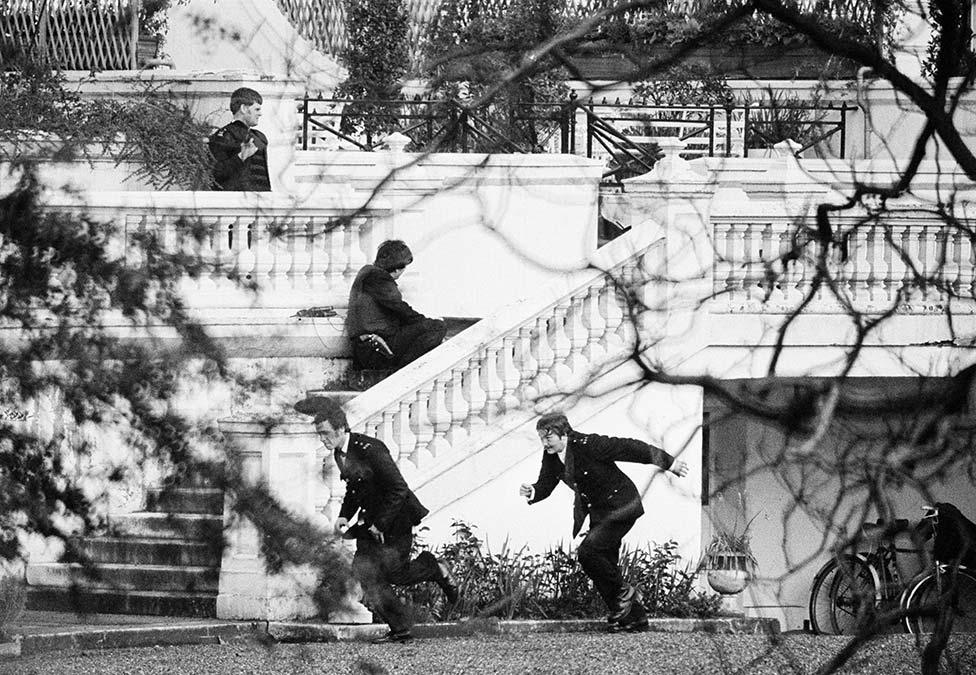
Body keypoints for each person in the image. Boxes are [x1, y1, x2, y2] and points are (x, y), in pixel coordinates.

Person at [295, 395, 458, 644]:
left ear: (341, 429)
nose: (323, 439)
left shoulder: (372, 450)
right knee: (365, 572)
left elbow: (398, 488)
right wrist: (343, 516)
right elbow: (354, 487)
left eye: (326, 433)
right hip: (370, 521)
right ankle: (400, 629)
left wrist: (380, 523)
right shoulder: (341, 452)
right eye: (319, 434)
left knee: (396, 573)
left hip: (396, 519)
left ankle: (433, 567)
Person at [519, 412, 689, 633]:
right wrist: (533, 490)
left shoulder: (590, 444)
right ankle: (633, 619)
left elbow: (632, 448)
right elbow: (546, 481)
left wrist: (670, 463)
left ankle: (625, 592)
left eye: (548, 438)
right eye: (541, 438)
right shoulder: (551, 455)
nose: (544, 443)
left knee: (588, 552)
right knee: (604, 563)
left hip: (622, 506)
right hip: (599, 513)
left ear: (564, 434)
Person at [346, 239, 446, 372]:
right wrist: (427, 322)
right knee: (437, 327)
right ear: (398, 267)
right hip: (376, 350)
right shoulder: (378, 277)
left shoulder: (367, 272)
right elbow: (400, 308)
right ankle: (399, 371)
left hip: (366, 348)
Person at [208, 87, 271, 191]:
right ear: (244, 109)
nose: (260, 113)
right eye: (257, 109)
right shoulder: (224, 136)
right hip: (235, 201)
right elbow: (214, 175)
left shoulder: (259, 137)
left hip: (260, 200)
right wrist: (240, 157)